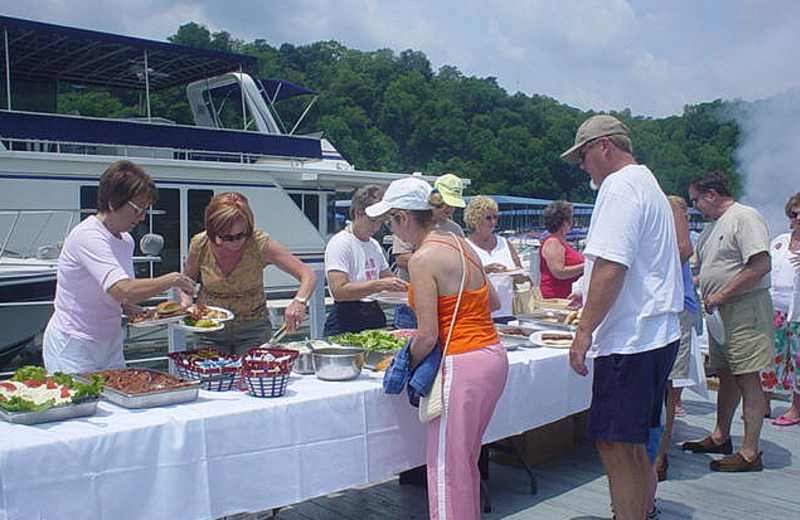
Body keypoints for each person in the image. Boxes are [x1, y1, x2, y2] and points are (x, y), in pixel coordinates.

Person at [365, 176, 508, 520]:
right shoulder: (462, 245)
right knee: (465, 463)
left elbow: (427, 335)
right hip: (491, 356)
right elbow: (493, 300)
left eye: (390, 220)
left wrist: (401, 363)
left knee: (445, 468)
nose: (390, 229)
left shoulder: (422, 259)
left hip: (461, 362)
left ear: (403, 218)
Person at [562, 115, 682, 520]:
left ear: (604, 147)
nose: (582, 166)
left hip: (631, 339)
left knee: (614, 444)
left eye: (583, 156)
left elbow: (613, 265)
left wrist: (583, 332)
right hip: (657, 333)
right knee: (633, 442)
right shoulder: (649, 184)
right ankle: (643, 511)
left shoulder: (619, 186)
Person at [42, 160, 197, 374]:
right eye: (137, 209)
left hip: (110, 343)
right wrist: (172, 279)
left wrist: (135, 310)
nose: (142, 216)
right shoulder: (88, 236)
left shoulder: (125, 240)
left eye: (146, 210)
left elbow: (121, 297)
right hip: (75, 344)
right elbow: (123, 289)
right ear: (114, 202)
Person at [681, 171, 774, 472]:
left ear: (711, 194)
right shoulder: (711, 228)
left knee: (747, 376)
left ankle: (750, 452)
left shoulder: (744, 217)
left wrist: (721, 294)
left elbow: (760, 264)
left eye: (696, 200)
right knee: (726, 373)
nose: (695, 207)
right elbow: (700, 271)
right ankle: (721, 435)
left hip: (743, 308)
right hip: (719, 312)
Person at [179, 192, 316, 356]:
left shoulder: (260, 243)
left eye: (241, 235)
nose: (236, 242)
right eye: (227, 237)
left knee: (255, 377)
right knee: (213, 379)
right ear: (213, 231)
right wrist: (186, 302)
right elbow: (187, 281)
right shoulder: (200, 244)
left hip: (253, 331)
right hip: (210, 329)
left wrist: (299, 302)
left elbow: (307, 274)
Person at [323, 185, 407, 336]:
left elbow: (388, 278)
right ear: (357, 213)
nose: (376, 227)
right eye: (373, 220)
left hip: (373, 313)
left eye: (380, 222)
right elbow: (339, 291)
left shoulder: (373, 244)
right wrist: (379, 285)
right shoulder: (341, 243)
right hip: (346, 317)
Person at [653, 195, 696, 482]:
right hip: (667, 309)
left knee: (667, 387)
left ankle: (660, 456)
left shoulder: (672, 237)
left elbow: (685, 250)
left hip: (677, 308)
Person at [392, 173, 466, 329]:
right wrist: (438, 266)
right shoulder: (412, 223)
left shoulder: (455, 230)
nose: (449, 208)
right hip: (410, 301)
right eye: (444, 203)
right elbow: (401, 258)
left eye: (453, 205)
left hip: (444, 302)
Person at [760, 192, 800, 426]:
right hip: (774, 308)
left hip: (798, 312)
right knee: (769, 357)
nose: (798, 218)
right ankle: (764, 402)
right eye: (795, 213)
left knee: (797, 360)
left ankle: (796, 408)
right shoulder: (780, 241)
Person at [464, 195, 527, 322]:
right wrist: (485, 270)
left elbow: (521, 277)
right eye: (488, 218)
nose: (493, 222)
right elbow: (461, 279)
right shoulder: (465, 246)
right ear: (475, 219)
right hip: (477, 316)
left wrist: (516, 275)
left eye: (495, 217)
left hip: (506, 314)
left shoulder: (505, 243)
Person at [538, 200, 584, 298]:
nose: (572, 223)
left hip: (567, 297)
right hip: (556, 299)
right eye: (571, 220)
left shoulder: (560, 242)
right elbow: (559, 272)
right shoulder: (553, 242)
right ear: (564, 223)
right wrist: (585, 266)